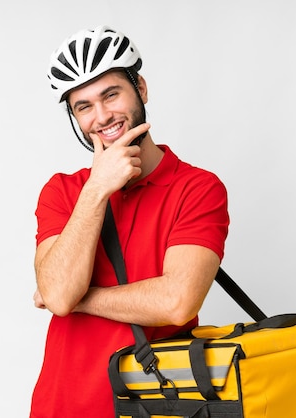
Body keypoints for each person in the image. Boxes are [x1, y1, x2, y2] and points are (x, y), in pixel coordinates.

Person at [30, 25, 229, 417]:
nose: (102, 116)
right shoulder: (63, 192)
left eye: (111, 94)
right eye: (84, 106)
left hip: (152, 409)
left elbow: (176, 302)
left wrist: (80, 301)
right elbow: (56, 293)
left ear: (141, 88)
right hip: (60, 407)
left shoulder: (198, 188)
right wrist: (96, 190)